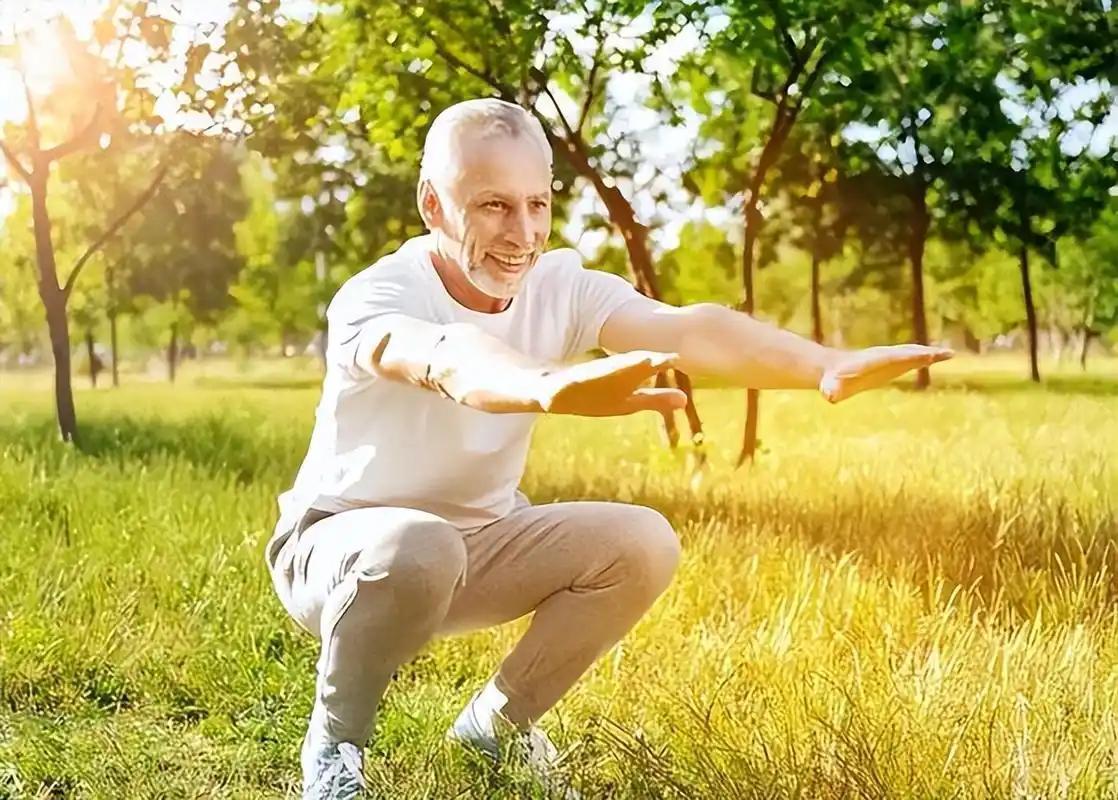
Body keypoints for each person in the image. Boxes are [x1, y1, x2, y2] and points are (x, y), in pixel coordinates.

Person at [264, 97, 953, 800]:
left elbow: (686, 329)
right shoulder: (377, 295)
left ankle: (496, 726)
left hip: (479, 546)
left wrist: (820, 365)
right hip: (341, 557)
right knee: (420, 545)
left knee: (641, 541)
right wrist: (547, 387)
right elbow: (446, 357)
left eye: (538, 204)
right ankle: (334, 747)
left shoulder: (560, 285)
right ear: (433, 205)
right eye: (494, 206)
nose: (523, 233)